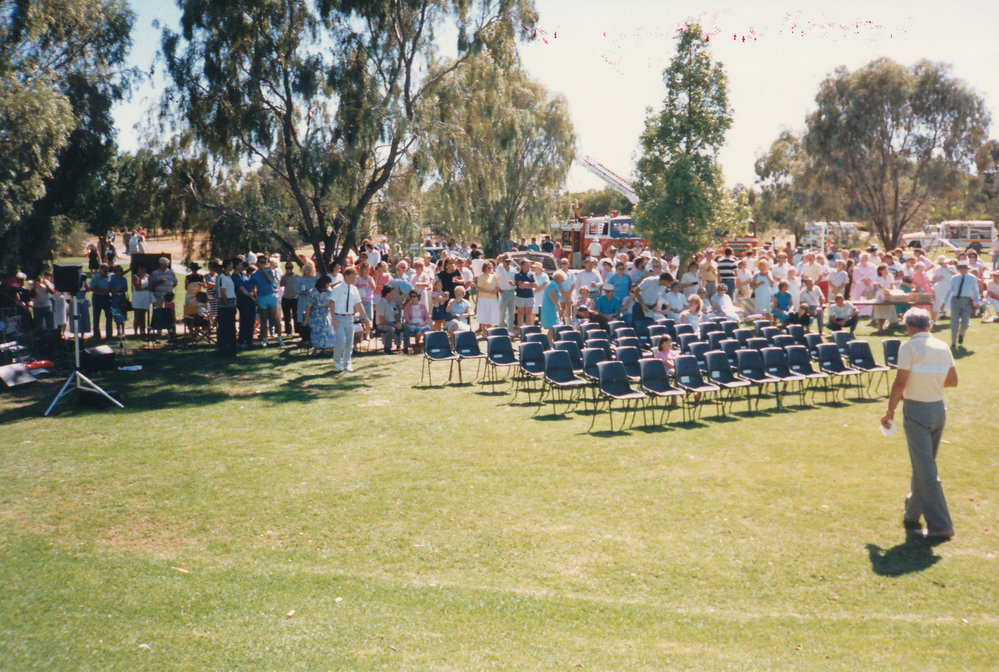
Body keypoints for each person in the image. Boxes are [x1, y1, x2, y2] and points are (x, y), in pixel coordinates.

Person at [881, 308, 958, 540]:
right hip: (938, 408)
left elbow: (900, 381)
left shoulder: (909, 346)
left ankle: (941, 525)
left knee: (925, 468)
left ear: (909, 326)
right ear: (929, 325)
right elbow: (952, 381)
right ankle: (912, 514)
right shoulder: (942, 346)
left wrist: (890, 411)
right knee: (923, 464)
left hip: (917, 409)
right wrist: (929, 382)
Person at [331, 267, 369, 370]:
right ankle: (336, 360)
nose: (354, 280)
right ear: (346, 276)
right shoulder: (338, 288)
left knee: (349, 342)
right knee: (341, 341)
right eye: (352, 277)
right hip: (339, 317)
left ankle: (347, 363)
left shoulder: (354, 289)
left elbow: (358, 303)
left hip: (350, 318)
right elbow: (332, 302)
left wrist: (365, 317)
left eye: (354, 278)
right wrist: (333, 318)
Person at [948, 259, 979, 349]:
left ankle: (961, 334)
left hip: (967, 301)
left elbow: (976, 291)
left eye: (964, 268)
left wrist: (977, 302)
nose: (963, 270)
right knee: (954, 322)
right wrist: (944, 302)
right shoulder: (954, 278)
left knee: (965, 322)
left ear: (967, 268)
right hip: (955, 300)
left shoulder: (972, 278)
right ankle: (953, 342)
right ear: (959, 269)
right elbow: (949, 290)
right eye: (961, 268)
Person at [304, 275, 337, 353]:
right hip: (315, 314)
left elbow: (332, 304)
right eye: (327, 283)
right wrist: (306, 319)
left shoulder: (329, 292)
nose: (329, 285)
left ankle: (324, 349)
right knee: (317, 332)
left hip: (325, 314)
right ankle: (315, 349)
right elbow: (308, 307)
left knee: (326, 331)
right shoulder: (313, 292)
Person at [215, 259, 237, 357]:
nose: (232, 266)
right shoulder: (222, 277)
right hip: (225, 303)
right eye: (231, 264)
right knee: (225, 326)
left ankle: (231, 347)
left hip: (231, 301)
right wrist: (227, 303)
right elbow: (222, 291)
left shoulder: (229, 276)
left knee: (231, 326)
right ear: (228, 265)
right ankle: (224, 347)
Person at [475, 260, 499, 337]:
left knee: (491, 315)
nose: (491, 269)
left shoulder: (494, 276)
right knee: (484, 315)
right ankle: (484, 332)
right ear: (484, 268)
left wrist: (495, 290)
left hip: (493, 299)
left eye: (492, 267)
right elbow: (478, 288)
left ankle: (490, 332)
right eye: (489, 268)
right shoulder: (481, 277)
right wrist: (489, 291)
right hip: (483, 299)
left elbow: (497, 286)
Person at [89, 263, 113, 341]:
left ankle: (109, 335)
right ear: (100, 270)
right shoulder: (95, 277)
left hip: (106, 297)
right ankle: (97, 336)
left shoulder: (110, 276)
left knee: (109, 316)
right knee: (96, 317)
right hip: (97, 297)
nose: (106, 272)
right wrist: (102, 290)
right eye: (105, 271)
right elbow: (91, 288)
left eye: (107, 271)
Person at [376, 285, 403, 354]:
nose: (394, 294)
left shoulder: (392, 302)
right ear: (387, 294)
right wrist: (394, 325)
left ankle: (401, 346)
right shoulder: (381, 304)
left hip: (392, 322)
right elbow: (382, 320)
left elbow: (396, 314)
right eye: (392, 292)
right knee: (391, 329)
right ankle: (387, 348)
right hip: (381, 324)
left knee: (404, 327)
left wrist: (398, 322)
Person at [513, 259, 535, 333]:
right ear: (522, 266)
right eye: (527, 265)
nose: (529, 266)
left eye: (529, 264)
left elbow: (535, 285)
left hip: (530, 296)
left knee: (529, 314)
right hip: (520, 296)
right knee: (520, 313)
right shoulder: (518, 274)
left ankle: (528, 330)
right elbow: (520, 284)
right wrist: (529, 285)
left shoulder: (531, 274)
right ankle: (520, 330)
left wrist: (525, 284)